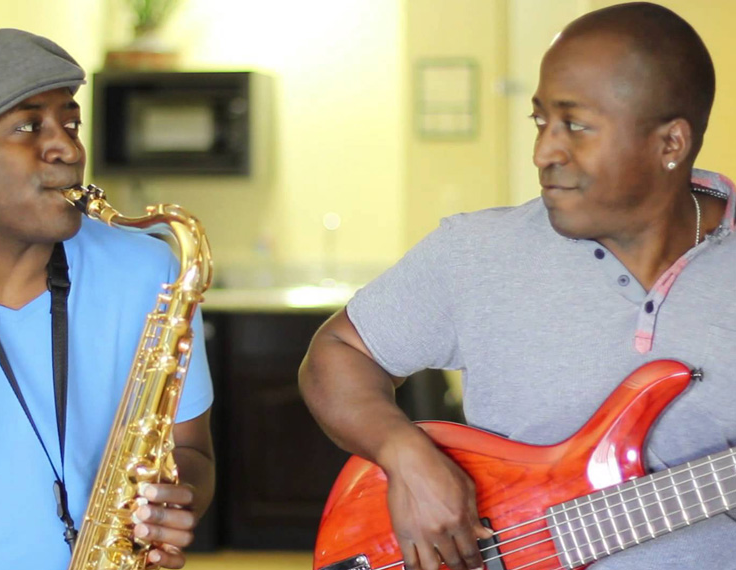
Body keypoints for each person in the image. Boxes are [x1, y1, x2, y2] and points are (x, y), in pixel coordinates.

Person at [299, 3, 736, 570]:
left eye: (576, 125)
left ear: (670, 144)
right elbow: (337, 353)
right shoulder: (475, 252)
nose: (543, 152)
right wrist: (402, 453)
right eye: (540, 121)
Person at [0, 29, 214, 569]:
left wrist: (167, 503)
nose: (69, 150)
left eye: (71, 124)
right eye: (28, 127)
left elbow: (192, 452)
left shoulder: (148, 270)